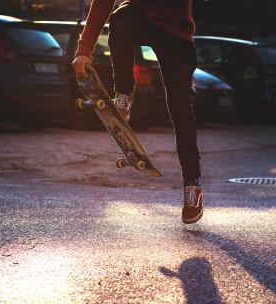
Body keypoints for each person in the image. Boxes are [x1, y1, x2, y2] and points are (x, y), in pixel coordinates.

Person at [72, 0, 203, 224]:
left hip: (176, 32)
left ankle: (192, 185)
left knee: (180, 107)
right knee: (122, 18)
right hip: (140, 19)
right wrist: (84, 50)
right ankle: (124, 94)